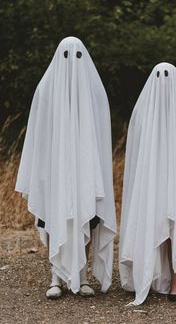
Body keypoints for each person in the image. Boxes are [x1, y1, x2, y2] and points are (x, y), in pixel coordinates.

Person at [15, 36, 117, 299]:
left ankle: (81, 276)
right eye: (66, 55)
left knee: (86, 217)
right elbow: (38, 132)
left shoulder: (94, 90)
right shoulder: (46, 88)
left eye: (78, 56)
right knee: (52, 216)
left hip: (85, 168)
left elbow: (101, 132)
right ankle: (56, 276)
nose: (72, 62)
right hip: (53, 168)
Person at [119, 62, 176, 305]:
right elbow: (136, 154)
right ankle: (147, 276)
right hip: (150, 183)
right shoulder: (141, 112)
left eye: (168, 76)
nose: (163, 81)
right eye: (159, 76)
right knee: (151, 224)